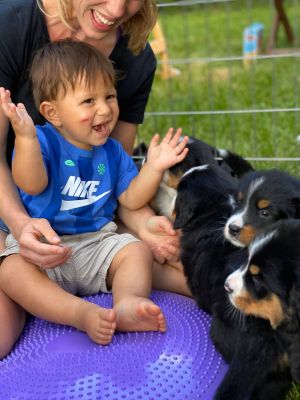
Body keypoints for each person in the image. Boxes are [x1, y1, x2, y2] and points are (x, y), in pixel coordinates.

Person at [0, 0, 190, 358]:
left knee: (135, 251)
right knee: (11, 271)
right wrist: (24, 138)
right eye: (89, 101)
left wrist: (151, 175)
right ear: (51, 113)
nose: (104, 109)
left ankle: (128, 303)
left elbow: (129, 198)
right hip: (41, 245)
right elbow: (31, 183)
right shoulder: (42, 140)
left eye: (110, 97)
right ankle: (80, 313)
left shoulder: (111, 151)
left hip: (94, 242)